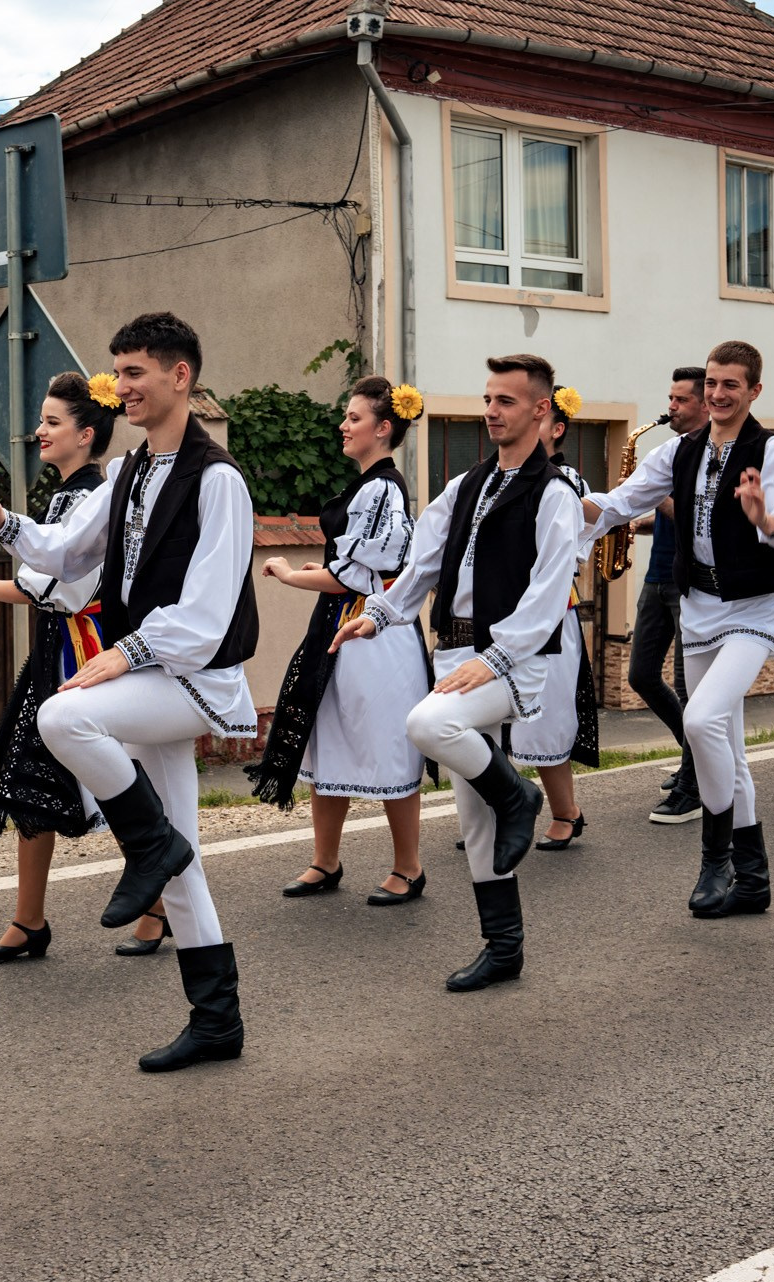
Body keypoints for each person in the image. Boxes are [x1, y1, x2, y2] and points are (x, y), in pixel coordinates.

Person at [0, 312, 258, 1073]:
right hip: (153, 674)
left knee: (64, 713)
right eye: (118, 372)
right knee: (179, 854)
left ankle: (146, 844)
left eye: (137, 372)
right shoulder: (125, 474)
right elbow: (67, 551)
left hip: (198, 680)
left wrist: (127, 652)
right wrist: (3, 524)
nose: (123, 387)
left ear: (181, 377)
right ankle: (217, 1017)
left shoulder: (219, 481)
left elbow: (209, 613)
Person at [331, 353, 579, 992]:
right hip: (455, 654)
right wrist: (380, 614)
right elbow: (422, 564)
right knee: (475, 822)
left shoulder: (555, 493)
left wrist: (493, 659)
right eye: (489, 398)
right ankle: (504, 948)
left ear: (540, 410)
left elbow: (550, 592)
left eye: (507, 401)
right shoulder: (468, 484)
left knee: (427, 724)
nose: (492, 411)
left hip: (513, 660)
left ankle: (520, 792)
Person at [0, 371, 165, 959]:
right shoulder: (67, 494)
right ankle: (29, 920)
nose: (39, 431)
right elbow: (46, 576)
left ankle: (157, 903)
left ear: (87, 434)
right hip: (54, 650)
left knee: (107, 776)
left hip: (84, 652)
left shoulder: (96, 495)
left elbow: (57, 583)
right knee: (29, 780)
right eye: (42, 420)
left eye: (52, 422)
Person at [584, 341, 774, 919]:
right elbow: (619, 502)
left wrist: (762, 516)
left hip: (752, 609)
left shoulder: (771, 448)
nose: (717, 393)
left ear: (754, 391)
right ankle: (752, 880)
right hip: (700, 606)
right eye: (711, 382)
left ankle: (716, 859)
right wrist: (559, 494)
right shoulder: (681, 450)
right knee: (725, 745)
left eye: (731, 384)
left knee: (702, 718)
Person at [248, 376, 430, 906]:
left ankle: (409, 867)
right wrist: (324, 569)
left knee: (387, 744)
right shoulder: (369, 485)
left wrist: (286, 574)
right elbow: (352, 566)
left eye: (354, 418)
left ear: (384, 428)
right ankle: (325, 861)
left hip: (371, 632)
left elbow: (353, 576)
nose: (343, 426)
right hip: (341, 625)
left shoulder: (382, 487)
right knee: (328, 739)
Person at [508, 386, 597, 852]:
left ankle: (566, 811)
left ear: (556, 428)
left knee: (543, 717)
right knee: (491, 717)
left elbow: (569, 555)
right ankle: (501, 807)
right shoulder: (504, 476)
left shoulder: (566, 483)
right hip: (502, 612)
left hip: (550, 614)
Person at [628, 368, 709, 825]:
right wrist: (637, 522)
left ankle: (694, 786)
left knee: (689, 688)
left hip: (688, 583)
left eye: (680, 400)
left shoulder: (706, 456)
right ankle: (691, 758)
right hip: (657, 577)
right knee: (641, 675)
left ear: (703, 404)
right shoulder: (671, 451)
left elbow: (704, 516)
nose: (671, 407)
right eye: (670, 398)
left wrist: (656, 497)